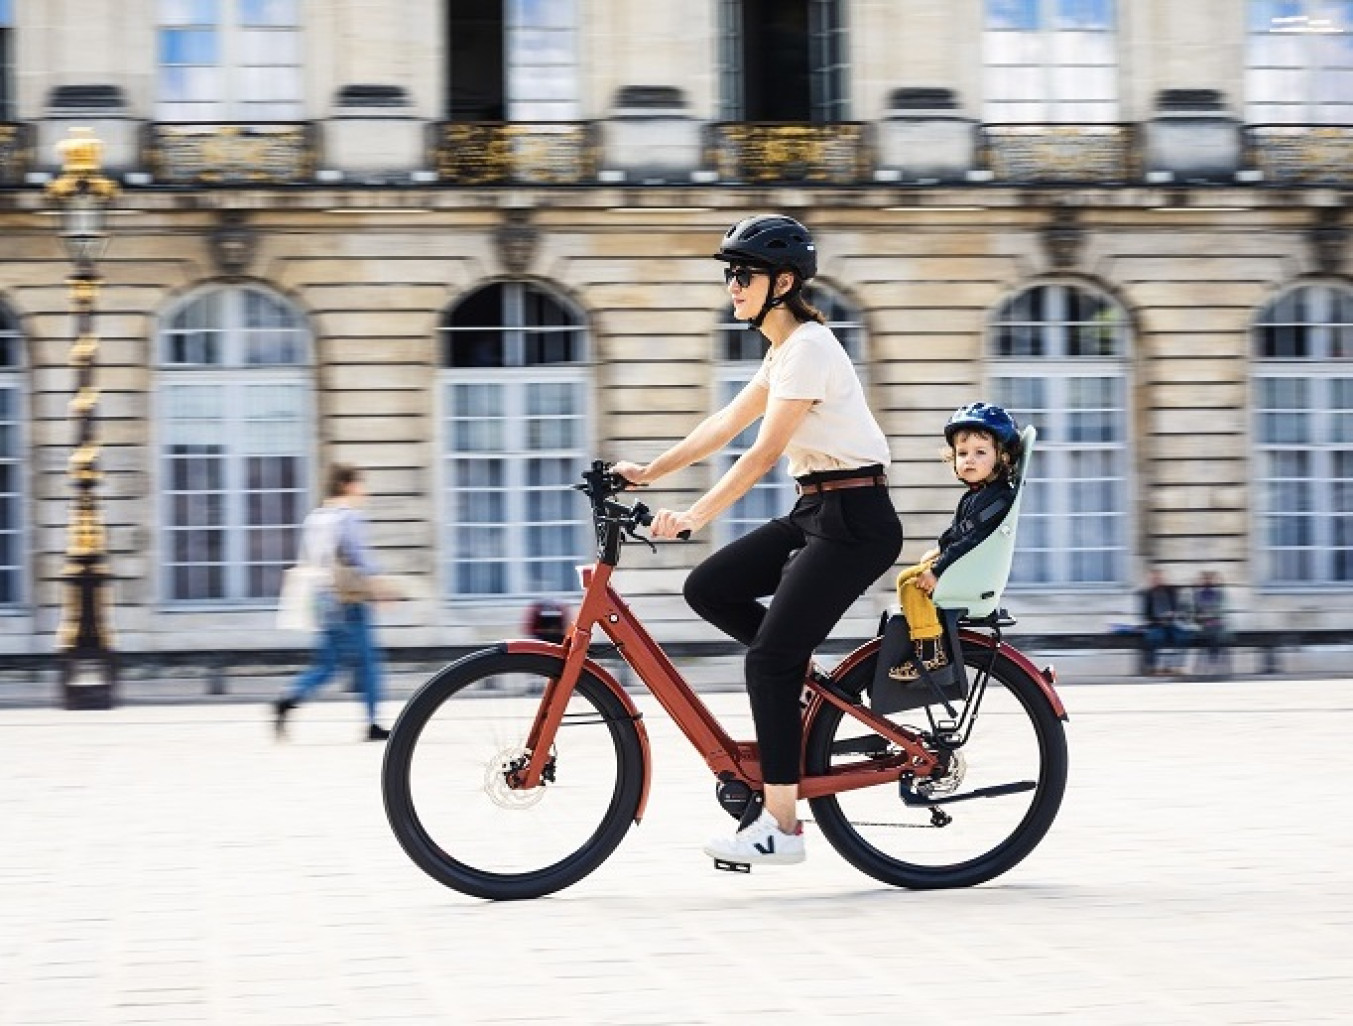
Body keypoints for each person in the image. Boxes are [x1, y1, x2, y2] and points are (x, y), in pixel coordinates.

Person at [611, 213, 902, 867]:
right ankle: (800, 683)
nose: (732, 286)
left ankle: (781, 827)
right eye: (729, 274)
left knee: (765, 661)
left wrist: (694, 514)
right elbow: (724, 423)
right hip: (817, 509)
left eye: (742, 274)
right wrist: (645, 472)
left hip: (856, 520)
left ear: (783, 281)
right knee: (709, 586)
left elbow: (763, 451)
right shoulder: (782, 351)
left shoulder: (809, 347)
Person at [888, 403, 1022, 682]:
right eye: (962, 453)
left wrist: (937, 570)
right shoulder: (978, 494)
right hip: (962, 565)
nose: (968, 460)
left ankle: (930, 653)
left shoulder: (997, 498)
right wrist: (937, 552)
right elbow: (957, 533)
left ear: (1004, 458)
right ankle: (923, 640)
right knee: (904, 579)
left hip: (967, 570)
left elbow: (971, 541)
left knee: (913, 588)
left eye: (980, 452)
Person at [274, 464, 396, 741]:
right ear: (346, 485)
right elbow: (360, 558)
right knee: (368, 662)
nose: (364, 490)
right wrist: (382, 588)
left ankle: (288, 698)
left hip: (323, 599)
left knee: (327, 664)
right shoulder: (349, 517)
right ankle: (372, 723)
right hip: (349, 599)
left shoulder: (317, 518)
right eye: (360, 484)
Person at [1140, 566, 1187, 675]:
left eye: (1159, 578)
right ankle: (1153, 666)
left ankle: (1176, 666)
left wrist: (1172, 614)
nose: (1157, 580)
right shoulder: (1147, 594)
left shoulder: (1171, 591)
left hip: (1172, 622)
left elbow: (1179, 608)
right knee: (1154, 637)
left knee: (1182, 636)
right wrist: (1157, 620)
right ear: (1151, 580)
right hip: (1156, 624)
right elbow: (1145, 614)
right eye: (1154, 579)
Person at [1191, 570, 1229, 674]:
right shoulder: (1197, 595)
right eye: (1205, 579)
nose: (1207, 581)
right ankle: (1212, 662)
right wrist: (1201, 618)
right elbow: (1193, 614)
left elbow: (1221, 611)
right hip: (1202, 626)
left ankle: (1212, 662)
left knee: (1215, 632)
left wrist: (1213, 618)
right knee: (1211, 632)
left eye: (1209, 579)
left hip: (1215, 624)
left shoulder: (1218, 594)